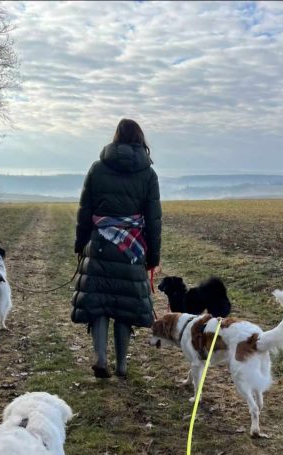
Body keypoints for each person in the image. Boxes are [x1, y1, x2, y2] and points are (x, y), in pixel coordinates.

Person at [71, 118, 162, 379]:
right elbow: (154, 219)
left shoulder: (97, 168)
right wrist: (153, 256)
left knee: (98, 304)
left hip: (100, 243)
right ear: (140, 139)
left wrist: (80, 244)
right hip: (132, 249)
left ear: (116, 138)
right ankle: (121, 365)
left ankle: (100, 358)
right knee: (125, 306)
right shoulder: (148, 174)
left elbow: (85, 210)